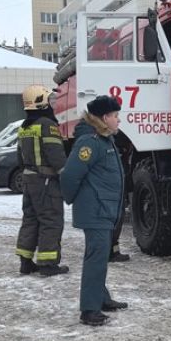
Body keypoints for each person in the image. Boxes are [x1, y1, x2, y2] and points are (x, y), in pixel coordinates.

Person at [61, 95, 128, 326]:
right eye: (115, 116)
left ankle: (101, 298)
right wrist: (70, 199)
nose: (119, 120)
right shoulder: (89, 141)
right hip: (96, 210)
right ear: (104, 117)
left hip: (103, 209)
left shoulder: (104, 139)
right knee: (95, 259)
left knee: (99, 257)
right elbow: (70, 175)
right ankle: (89, 309)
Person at [15, 85, 69, 277]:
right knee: (51, 220)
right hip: (46, 181)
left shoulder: (25, 126)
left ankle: (26, 262)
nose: (52, 104)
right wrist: (67, 175)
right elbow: (55, 154)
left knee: (30, 219)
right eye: (49, 101)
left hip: (29, 179)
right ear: (41, 103)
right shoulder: (47, 124)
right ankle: (48, 264)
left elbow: (19, 156)